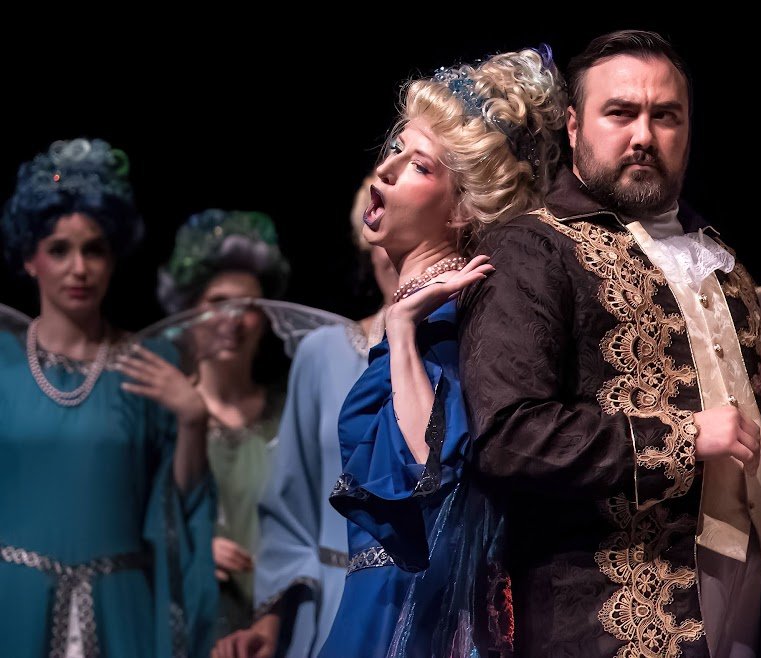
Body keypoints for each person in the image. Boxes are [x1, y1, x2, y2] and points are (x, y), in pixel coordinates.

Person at [458, 30, 761, 658]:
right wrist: (680, 437)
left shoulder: (718, 260)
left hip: (739, 608)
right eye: (620, 112)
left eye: (664, 115)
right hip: (607, 618)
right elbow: (507, 436)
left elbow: (739, 447)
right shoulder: (534, 248)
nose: (643, 134)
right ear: (571, 125)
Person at [317, 45, 567, 657]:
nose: (387, 170)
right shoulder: (423, 313)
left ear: (461, 208)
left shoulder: (459, 322)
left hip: (418, 617)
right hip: (372, 602)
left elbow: (427, 471)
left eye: (421, 166)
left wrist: (402, 331)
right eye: (395, 149)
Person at [0, 138, 216, 657]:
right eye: (59, 249)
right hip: (16, 604)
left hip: (122, 610)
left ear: (113, 256)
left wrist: (192, 420)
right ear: (31, 259)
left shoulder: (152, 363)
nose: (79, 268)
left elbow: (175, 509)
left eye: (93, 249)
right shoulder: (3, 366)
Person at [213, 175, 399, 658]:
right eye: (385, 234)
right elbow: (288, 516)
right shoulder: (322, 353)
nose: (399, 254)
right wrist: (270, 624)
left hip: (424, 605)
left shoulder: (465, 350)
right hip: (331, 607)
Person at [153, 208, 293, 638]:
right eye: (218, 303)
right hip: (186, 618)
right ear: (187, 311)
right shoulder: (162, 413)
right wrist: (193, 548)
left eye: (248, 306)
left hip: (276, 624)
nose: (234, 320)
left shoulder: (290, 414)